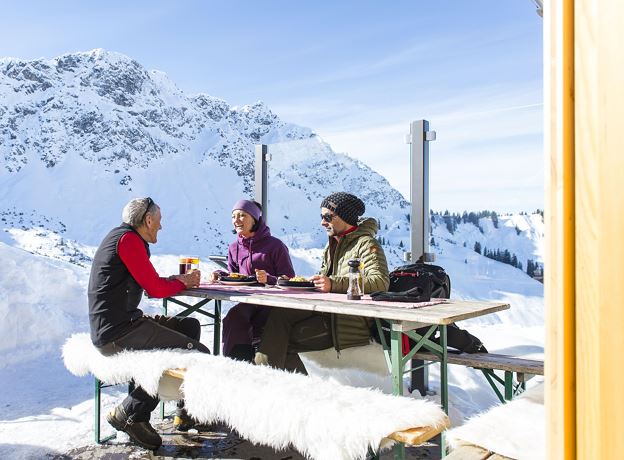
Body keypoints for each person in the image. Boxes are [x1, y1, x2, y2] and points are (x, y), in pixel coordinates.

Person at [88, 197, 209, 451]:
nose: (161, 227)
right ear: (148, 219)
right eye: (160, 221)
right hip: (118, 332)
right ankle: (131, 413)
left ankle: (185, 411)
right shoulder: (129, 240)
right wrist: (183, 282)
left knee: (189, 327)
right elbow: (154, 289)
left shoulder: (123, 238)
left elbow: (149, 280)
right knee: (198, 353)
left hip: (120, 324)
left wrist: (176, 280)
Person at [255, 192, 390, 373]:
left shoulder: (366, 244)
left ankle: (265, 383)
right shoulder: (332, 244)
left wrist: (333, 284)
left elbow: (380, 282)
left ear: (345, 217)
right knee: (278, 317)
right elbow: (326, 279)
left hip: (345, 323)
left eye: (328, 217)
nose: (322, 222)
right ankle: (283, 388)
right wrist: (307, 282)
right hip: (326, 314)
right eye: (322, 217)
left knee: (276, 340)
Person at [211, 199, 295, 361]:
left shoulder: (275, 246)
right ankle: (235, 363)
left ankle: (258, 360)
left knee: (259, 324)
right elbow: (234, 274)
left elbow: (290, 279)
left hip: (273, 302)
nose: (236, 220)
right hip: (249, 301)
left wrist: (269, 279)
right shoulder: (234, 247)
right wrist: (220, 275)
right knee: (234, 318)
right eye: (234, 216)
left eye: (242, 215)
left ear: (255, 219)